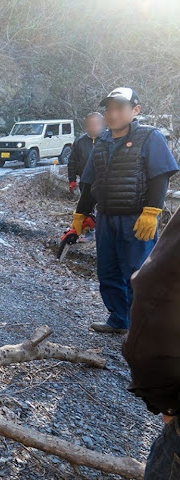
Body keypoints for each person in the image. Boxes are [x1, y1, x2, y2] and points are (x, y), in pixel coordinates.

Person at [70, 87, 178, 334]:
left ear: (135, 110)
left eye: (120, 108)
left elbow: (160, 177)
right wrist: (80, 215)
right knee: (108, 271)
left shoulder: (150, 137)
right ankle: (119, 320)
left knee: (138, 274)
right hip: (106, 218)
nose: (112, 113)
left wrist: (151, 212)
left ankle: (144, 327)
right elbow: (89, 184)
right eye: (109, 108)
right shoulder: (102, 142)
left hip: (137, 219)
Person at [122, 208, 180, 480]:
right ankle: (115, 316)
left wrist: (165, 400)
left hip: (134, 216)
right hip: (109, 213)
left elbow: (159, 292)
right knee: (112, 267)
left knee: (132, 264)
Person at [67, 112, 105, 192]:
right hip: (85, 183)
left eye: (96, 124)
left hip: (105, 184)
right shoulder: (79, 142)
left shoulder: (108, 139)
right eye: (89, 124)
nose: (92, 127)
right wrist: (72, 180)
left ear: (102, 125)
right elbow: (72, 162)